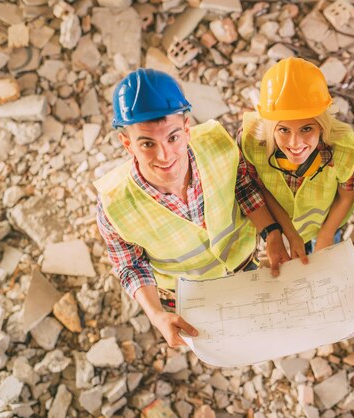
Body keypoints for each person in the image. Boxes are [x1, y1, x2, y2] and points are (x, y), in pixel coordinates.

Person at [94, 69, 289, 348]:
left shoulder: (217, 145)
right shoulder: (114, 204)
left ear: (186, 129)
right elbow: (131, 265)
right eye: (148, 144)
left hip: (242, 261)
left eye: (173, 138)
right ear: (127, 144)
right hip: (184, 291)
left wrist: (271, 234)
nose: (164, 156)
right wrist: (158, 316)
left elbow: (243, 187)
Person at [240, 57, 354, 259]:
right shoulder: (252, 142)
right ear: (270, 126)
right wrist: (289, 234)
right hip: (280, 224)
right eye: (283, 130)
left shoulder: (349, 151)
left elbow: (346, 197)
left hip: (325, 222)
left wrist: (326, 234)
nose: (295, 143)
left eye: (306, 128)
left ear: (322, 124)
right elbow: (260, 188)